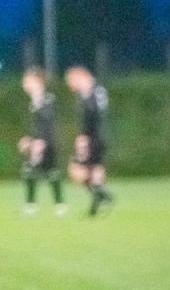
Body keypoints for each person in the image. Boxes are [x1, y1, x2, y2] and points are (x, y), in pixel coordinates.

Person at [64, 66, 112, 216]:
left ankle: (103, 196)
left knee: (76, 170)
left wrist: (84, 137)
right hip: (100, 136)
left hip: (94, 137)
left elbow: (94, 116)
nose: (71, 86)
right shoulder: (92, 92)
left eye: (71, 81)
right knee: (95, 170)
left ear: (80, 77)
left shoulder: (93, 92)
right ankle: (97, 205)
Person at [18, 68, 63, 214]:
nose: (24, 84)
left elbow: (48, 122)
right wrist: (26, 138)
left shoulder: (48, 99)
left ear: (37, 81)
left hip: (47, 142)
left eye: (27, 81)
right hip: (35, 142)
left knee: (51, 171)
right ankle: (31, 204)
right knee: (29, 170)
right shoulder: (30, 101)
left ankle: (59, 204)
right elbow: (31, 124)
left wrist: (41, 141)